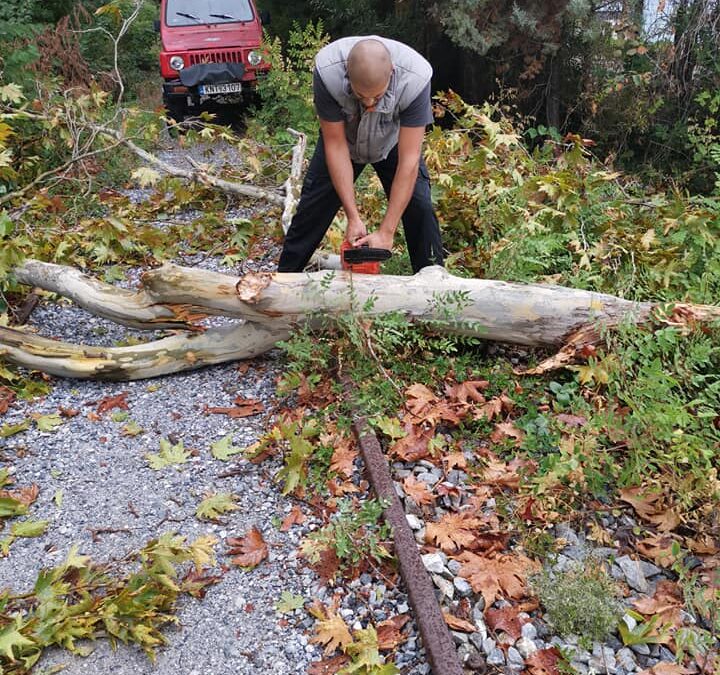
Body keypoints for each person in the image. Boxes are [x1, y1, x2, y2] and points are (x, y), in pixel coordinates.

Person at [277, 36, 444, 273]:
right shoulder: (328, 72)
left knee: (421, 208)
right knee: (311, 211)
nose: (369, 103)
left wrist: (387, 231)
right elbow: (335, 145)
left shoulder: (415, 78)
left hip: (392, 142)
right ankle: (281, 285)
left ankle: (434, 290)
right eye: (361, 95)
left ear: (392, 73)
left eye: (377, 96)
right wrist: (353, 217)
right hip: (344, 140)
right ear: (347, 73)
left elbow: (409, 160)